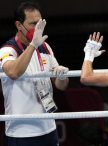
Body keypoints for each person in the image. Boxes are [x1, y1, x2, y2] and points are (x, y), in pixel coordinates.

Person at [0, 1, 69, 146]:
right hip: (21, 132)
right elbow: (13, 72)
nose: (38, 28)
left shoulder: (45, 47)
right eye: (33, 24)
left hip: (49, 128)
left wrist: (62, 76)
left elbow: (60, 85)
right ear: (19, 25)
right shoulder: (7, 50)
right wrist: (33, 45)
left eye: (40, 23)